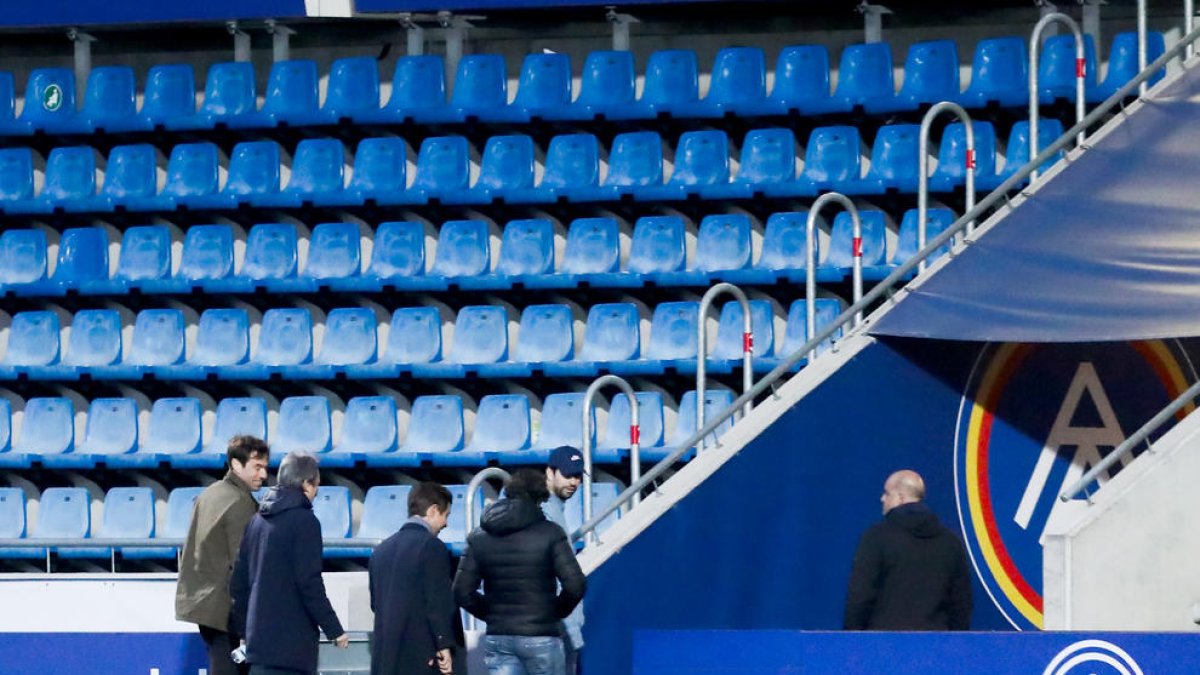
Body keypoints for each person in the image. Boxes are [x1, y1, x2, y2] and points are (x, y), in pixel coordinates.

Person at [453, 468, 586, 675]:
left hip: (499, 634)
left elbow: (461, 591)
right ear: (540, 498)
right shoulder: (551, 532)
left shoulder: (479, 536)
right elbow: (576, 585)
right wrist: (553, 613)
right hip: (541, 635)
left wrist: (491, 614)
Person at [230, 452, 349, 674]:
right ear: (306, 484)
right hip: (292, 649)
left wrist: (246, 632)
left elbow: (238, 583)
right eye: (317, 486)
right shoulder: (305, 522)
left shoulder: (256, 521)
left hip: (258, 648)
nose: (316, 493)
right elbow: (309, 582)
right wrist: (334, 629)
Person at [176, 435, 269, 675]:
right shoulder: (240, 502)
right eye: (257, 467)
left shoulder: (210, 493)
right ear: (237, 465)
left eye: (265, 468)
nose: (263, 475)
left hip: (204, 602)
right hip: (225, 606)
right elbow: (243, 565)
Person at [844, 469, 973, 631]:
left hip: (883, 647)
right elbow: (961, 602)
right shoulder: (950, 542)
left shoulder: (876, 538)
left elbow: (860, 596)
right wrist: (954, 645)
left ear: (900, 497)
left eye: (887, 493)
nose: (882, 498)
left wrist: (852, 640)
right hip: (936, 647)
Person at [368, 481, 461, 675]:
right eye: (446, 515)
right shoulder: (432, 548)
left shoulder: (380, 551)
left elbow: (375, 604)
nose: (446, 523)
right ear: (434, 510)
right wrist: (444, 644)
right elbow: (438, 603)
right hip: (422, 657)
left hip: (385, 657)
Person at [542, 447, 586, 674]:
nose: (574, 482)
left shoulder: (555, 510)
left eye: (578, 476)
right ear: (550, 473)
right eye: (567, 475)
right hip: (557, 630)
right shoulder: (545, 512)